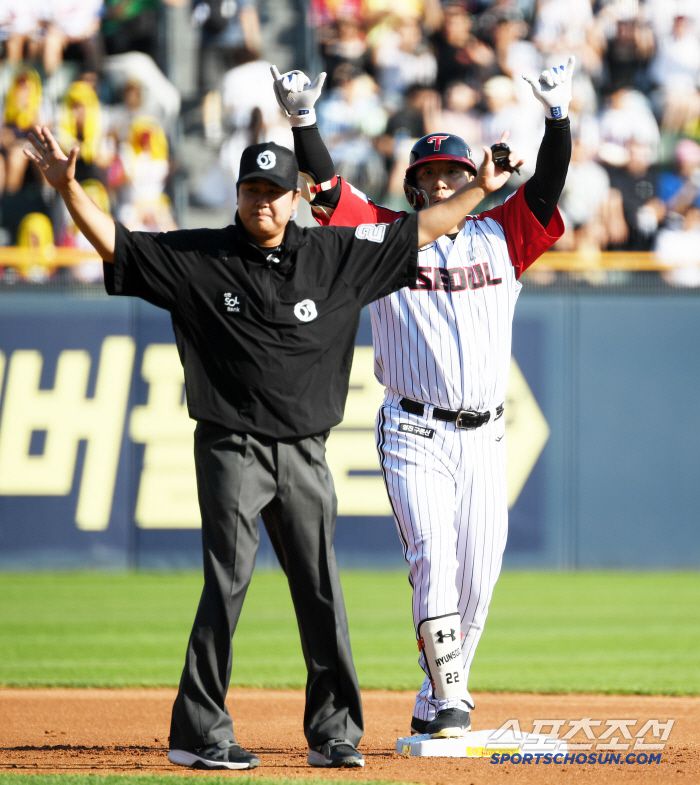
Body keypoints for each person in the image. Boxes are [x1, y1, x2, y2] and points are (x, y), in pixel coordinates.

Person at [24, 121, 509, 768]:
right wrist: (67, 190)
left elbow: (422, 229)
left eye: (275, 190)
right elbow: (119, 245)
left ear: (295, 197)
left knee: (321, 589)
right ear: (238, 194)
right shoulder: (201, 257)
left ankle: (334, 732)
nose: (263, 200)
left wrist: (478, 191)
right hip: (233, 446)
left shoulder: (335, 254)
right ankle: (199, 733)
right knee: (226, 582)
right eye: (252, 189)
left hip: (306, 450)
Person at [272, 56, 573, 738]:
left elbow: (549, 186)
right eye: (429, 176)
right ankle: (452, 691)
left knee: (480, 573)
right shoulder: (385, 239)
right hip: (414, 430)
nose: (440, 182)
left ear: (474, 178)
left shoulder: (502, 236)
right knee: (434, 554)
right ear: (412, 187)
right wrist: (303, 121)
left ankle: (435, 691)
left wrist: (557, 117)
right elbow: (326, 189)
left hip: (485, 436)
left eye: (452, 173)